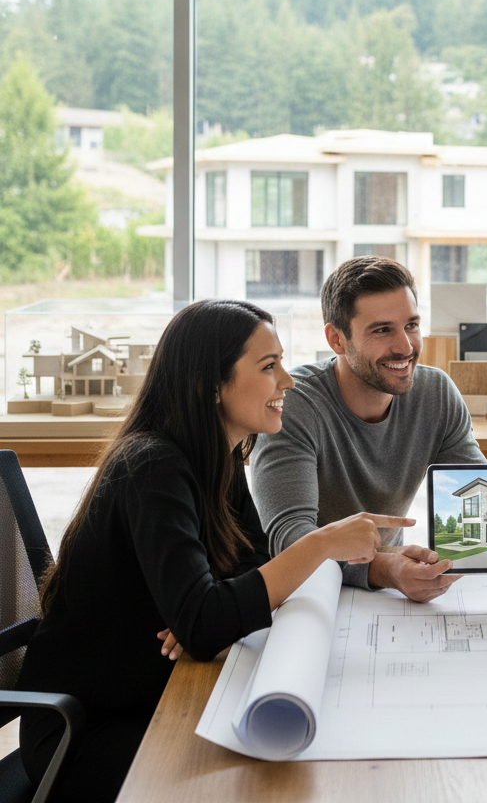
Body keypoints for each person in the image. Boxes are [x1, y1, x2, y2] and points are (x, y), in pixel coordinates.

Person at [16, 300, 411, 803]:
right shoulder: (153, 466)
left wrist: (211, 613)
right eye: (269, 367)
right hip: (85, 730)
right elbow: (206, 623)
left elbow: (246, 571)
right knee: (266, 783)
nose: (286, 382)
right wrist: (320, 544)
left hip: (154, 689)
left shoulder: (218, 455)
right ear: (211, 385)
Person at [251, 256, 487, 602]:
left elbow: (483, 500)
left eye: (411, 325)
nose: (406, 347)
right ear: (337, 339)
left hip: (382, 594)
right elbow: (289, 540)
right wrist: (383, 569)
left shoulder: (435, 393)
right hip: (299, 597)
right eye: (382, 330)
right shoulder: (293, 404)